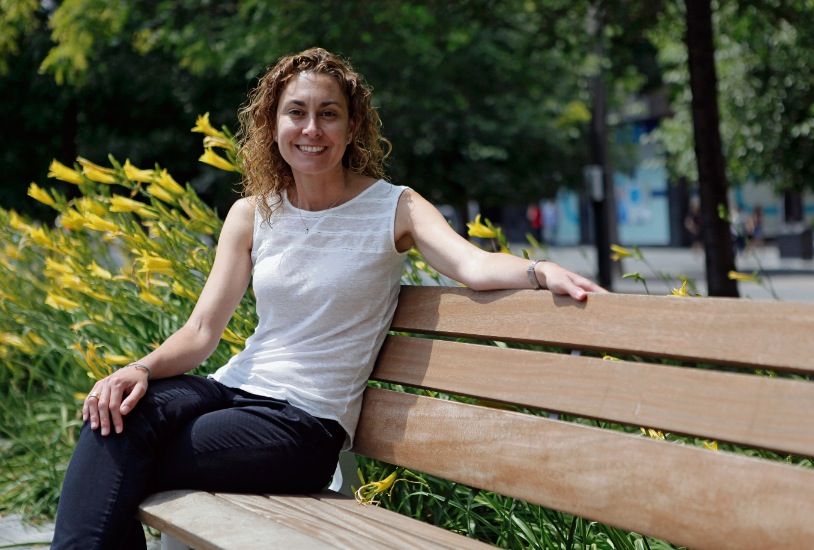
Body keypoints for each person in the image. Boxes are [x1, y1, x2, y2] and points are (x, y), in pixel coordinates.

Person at [51, 47, 605, 549]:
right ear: (272, 124)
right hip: (232, 389)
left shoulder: (394, 207)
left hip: (303, 424)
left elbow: (471, 265)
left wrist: (539, 271)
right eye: (296, 112)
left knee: (121, 458)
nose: (311, 129)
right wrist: (138, 369)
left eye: (328, 113)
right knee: (114, 416)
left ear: (352, 125)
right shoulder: (253, 214)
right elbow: (200, 333)